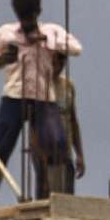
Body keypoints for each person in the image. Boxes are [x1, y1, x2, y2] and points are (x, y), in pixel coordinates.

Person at [0, 0, 82, 207]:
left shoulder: (52, 31)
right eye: (22, 19)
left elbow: (76, 48)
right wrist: (3, 59)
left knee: (56, 143)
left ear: (38, 12)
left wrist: (48, 41)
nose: (26, 24)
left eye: (30, 18)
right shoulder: (7, 33)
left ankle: (57, 198)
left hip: (44, 97)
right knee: (3, 146)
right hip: (14, 96)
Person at [45, 52, 85, 195]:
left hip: (65, 151)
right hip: (45, 153)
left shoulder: (68, 86)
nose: (58, 67)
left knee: (66, 196)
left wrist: (79, 154)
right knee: (47, 196)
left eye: (62, 64)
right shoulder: (40, 86)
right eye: (55, 63)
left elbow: (73, 121)